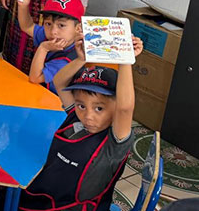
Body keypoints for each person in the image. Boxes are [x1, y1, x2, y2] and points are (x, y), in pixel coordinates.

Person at [19, 36, 144, 210]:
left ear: (116, 107)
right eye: (81, 105)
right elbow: (59, 82)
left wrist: (125, 60)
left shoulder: (114, 142)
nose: (88, 116)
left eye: (99, 108)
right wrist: (81, 59)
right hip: (48, 194)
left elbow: (125, 108)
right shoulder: (75, 116)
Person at [17, 0, 84, 93]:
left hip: (58, 103)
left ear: (78, 28)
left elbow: (35, 78)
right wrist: (23, 6)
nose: (53, 31)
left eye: (61, 25)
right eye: (48, 24)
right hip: (44, 93)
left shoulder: (70, 58)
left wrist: (43, 48)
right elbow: (27, 26)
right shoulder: (53, 38)